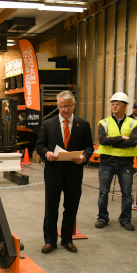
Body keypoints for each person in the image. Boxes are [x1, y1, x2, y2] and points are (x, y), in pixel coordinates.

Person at [35, 90, 94, 253]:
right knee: (51, 208)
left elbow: (89, 147)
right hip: (54, 174)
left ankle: (67, 239)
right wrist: (46, 154)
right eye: (62, 107)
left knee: (71, 208)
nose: (65, 110)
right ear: (57, 106)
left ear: (74, 105)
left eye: (68, 106)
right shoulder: (48, 124)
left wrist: (83, 157)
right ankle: (50, 241)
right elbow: (40, 145)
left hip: (73, 175)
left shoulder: (83, 125)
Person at [95, 92, 137, 231]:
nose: (114, 106)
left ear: (125, 106)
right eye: (113, 103)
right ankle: (102, 217)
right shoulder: (104, 122)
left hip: (125, 164)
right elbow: (103, 140)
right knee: (103, 192)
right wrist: (122, 137)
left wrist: (112, 140)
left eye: (118, 103)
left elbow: (133, 142)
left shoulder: (134, 123)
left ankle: (126, 219)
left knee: (127, 194)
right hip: (106, 163)